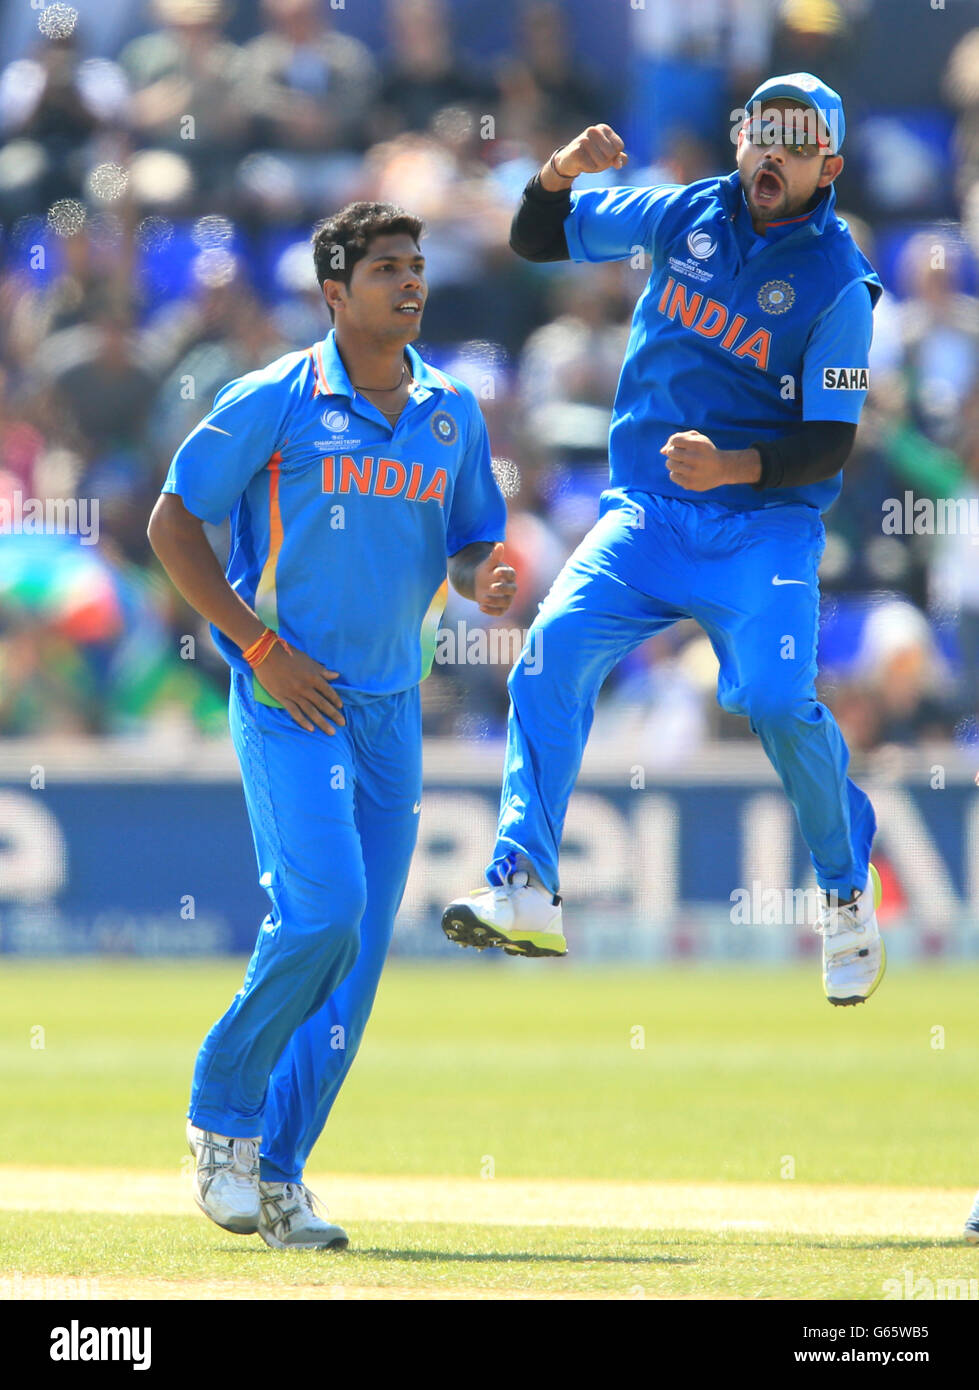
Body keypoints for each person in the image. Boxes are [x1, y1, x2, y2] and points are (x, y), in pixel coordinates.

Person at [442, 74, 887, 1007]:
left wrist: (732, 468)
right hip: (645, 512)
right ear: (740, 145)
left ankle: (845, 889)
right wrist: (560, 169)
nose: (772, 154)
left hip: (762, 526)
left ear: (829, 168)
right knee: (550, 652)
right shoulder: (684, 212)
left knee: (771, 698)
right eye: (761, 135)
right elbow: (535, 237)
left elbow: (829, 440)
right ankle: (524, 886)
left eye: (796, 143)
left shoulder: (839, 282)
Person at [148, 201, 513, 1247]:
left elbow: (470, 538)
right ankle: (221, 1118)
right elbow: (172, 519)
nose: (410, 282)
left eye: (417, 265)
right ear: (333, 294)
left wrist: (483, 576)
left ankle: (278, 1174)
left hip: (393, 710)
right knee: (322, 914)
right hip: (288, 695)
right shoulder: (275, 398)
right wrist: (258, 649)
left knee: (353, 960)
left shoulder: (452, 410)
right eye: (387, 267)